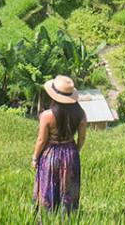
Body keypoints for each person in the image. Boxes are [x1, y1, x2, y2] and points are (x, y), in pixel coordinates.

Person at [32, 75, 87, 214]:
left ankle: (47, 218)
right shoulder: (80, 113)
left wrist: (34, 158)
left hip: (50, 154)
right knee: (68, 188)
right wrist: (75, 151)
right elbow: (82, 137)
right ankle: (67, 218)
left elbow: (41, 140)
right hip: (70, 152)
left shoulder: (47, 115)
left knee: (47, 186)